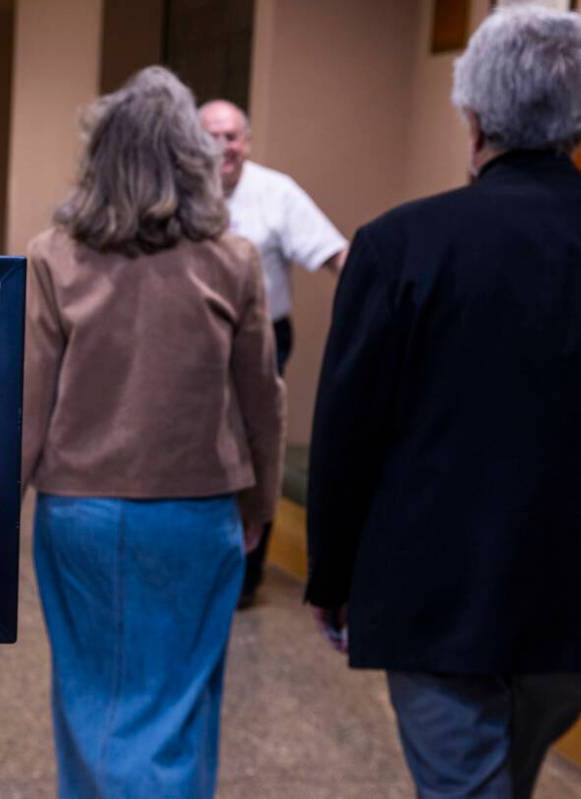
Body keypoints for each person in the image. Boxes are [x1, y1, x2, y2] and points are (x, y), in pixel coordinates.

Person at [305, 7, 581, 799]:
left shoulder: (398, 244)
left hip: (436, 596)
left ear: (473, 117)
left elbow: (349, 431)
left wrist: (332, 575)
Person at [23, 66, 285, 797]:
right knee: (182, 700)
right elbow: (261, 396)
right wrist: (261, 503)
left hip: (79, 511)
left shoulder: (54, 255)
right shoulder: (231, 259)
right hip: (195, 512)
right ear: (195, 158)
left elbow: (28, 405)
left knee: (88, 696)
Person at [197, 99, 347, 609]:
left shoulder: (275, 191)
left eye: (233, 136)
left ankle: (244, 572)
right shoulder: (175, 189)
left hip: (262, 337)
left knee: (255, 439)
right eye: (212, 135)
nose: (224, 147)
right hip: (190, 338)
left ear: (248, 142)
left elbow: (335, 253)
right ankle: (198, 556)